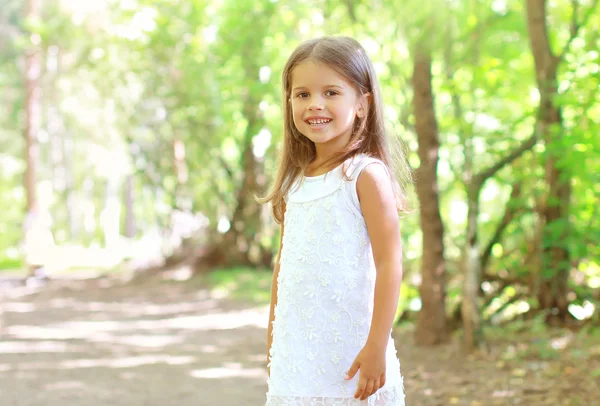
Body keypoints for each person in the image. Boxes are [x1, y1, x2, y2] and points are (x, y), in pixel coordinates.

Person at [259, 36, 411, 405]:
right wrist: (273, 339)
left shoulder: (364, 175)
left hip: (352, 351)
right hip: (298, 355)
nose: (315, 105)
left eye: (330, 92)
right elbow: (284, 267)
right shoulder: (294, 180)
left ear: (362, 104)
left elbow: (390, 262)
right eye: (303, 94)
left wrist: (377, 344)